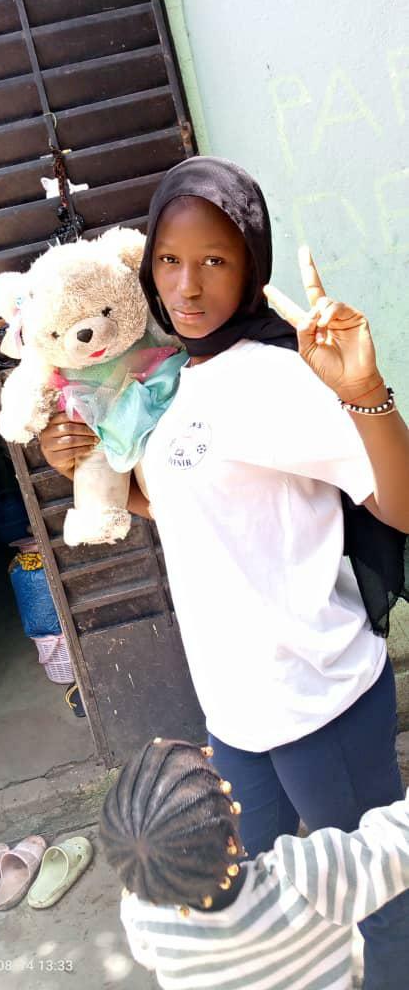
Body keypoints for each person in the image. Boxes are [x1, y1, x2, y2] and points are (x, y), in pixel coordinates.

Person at [40, 156, 409, 988]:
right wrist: (81, 469)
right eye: (170, 260)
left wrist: (366, 390)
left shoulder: (278, 377)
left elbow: (400, 506)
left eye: (215, 260)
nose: (187, 285)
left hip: (320, 700)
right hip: (237, 713)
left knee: (381, 906)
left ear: (250, 268)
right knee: (243, 910)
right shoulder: (173, 377)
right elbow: (184, 505)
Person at [100, 736, 409, 990]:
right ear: (232, 841)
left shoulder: (144, 916)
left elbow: (146, 953)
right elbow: (399, 842)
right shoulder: (308, 877)